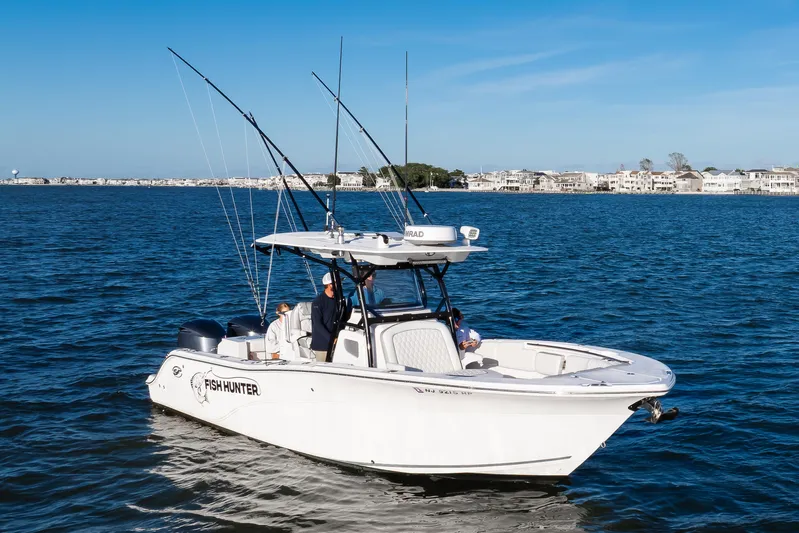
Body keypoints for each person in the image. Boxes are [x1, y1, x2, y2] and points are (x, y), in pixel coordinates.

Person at [311, 272, 337, 362]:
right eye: (337, 282)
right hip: (322, 344)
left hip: (335, 341)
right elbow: (317, 324)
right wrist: (331, 339)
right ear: (330, 285)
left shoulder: (338, 300)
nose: (340, 285)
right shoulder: (318, 302)